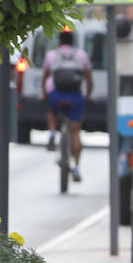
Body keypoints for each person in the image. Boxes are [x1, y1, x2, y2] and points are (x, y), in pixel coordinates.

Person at [41, 27, 94, 181]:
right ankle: (76, 168)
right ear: (73, 42)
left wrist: (45, 94)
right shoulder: (81, 55)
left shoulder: (52, 55)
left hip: (56, 95)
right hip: (75, 96)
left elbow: (45, 77)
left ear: (59, 42)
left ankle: (52, 133)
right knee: (76, 132)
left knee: (52, 112)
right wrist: (88, 95)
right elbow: (89, 79)